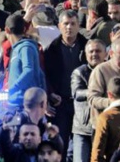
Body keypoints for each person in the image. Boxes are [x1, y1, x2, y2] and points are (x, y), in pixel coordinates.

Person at [43, 9, 86, 153]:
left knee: (82, 146)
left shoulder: (88, 47)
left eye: (73, 23)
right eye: (66, 23)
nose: (69, 27)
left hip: (83, 103)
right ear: (59, 26)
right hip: (60, 103)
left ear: (78, 25)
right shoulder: (51, 49)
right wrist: (50, 94)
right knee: (60, 146)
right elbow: (45, 75)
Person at [71, 39, 107, 162]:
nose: (94, 54)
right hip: (83, 128)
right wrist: (96, 92)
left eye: (98, 51)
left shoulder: (110, 71)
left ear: (106, 54)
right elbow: (76, 93)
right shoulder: (79, 72)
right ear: (86, 55)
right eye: (91, 51)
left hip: (104, 127)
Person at [6, 13, 47, 107]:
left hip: (24, 103)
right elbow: (40, 74)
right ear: (25, 30)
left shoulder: (26, 47)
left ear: (7, 30)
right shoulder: (18, 48)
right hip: (16, 102)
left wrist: (11, 89)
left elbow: (29, 70)